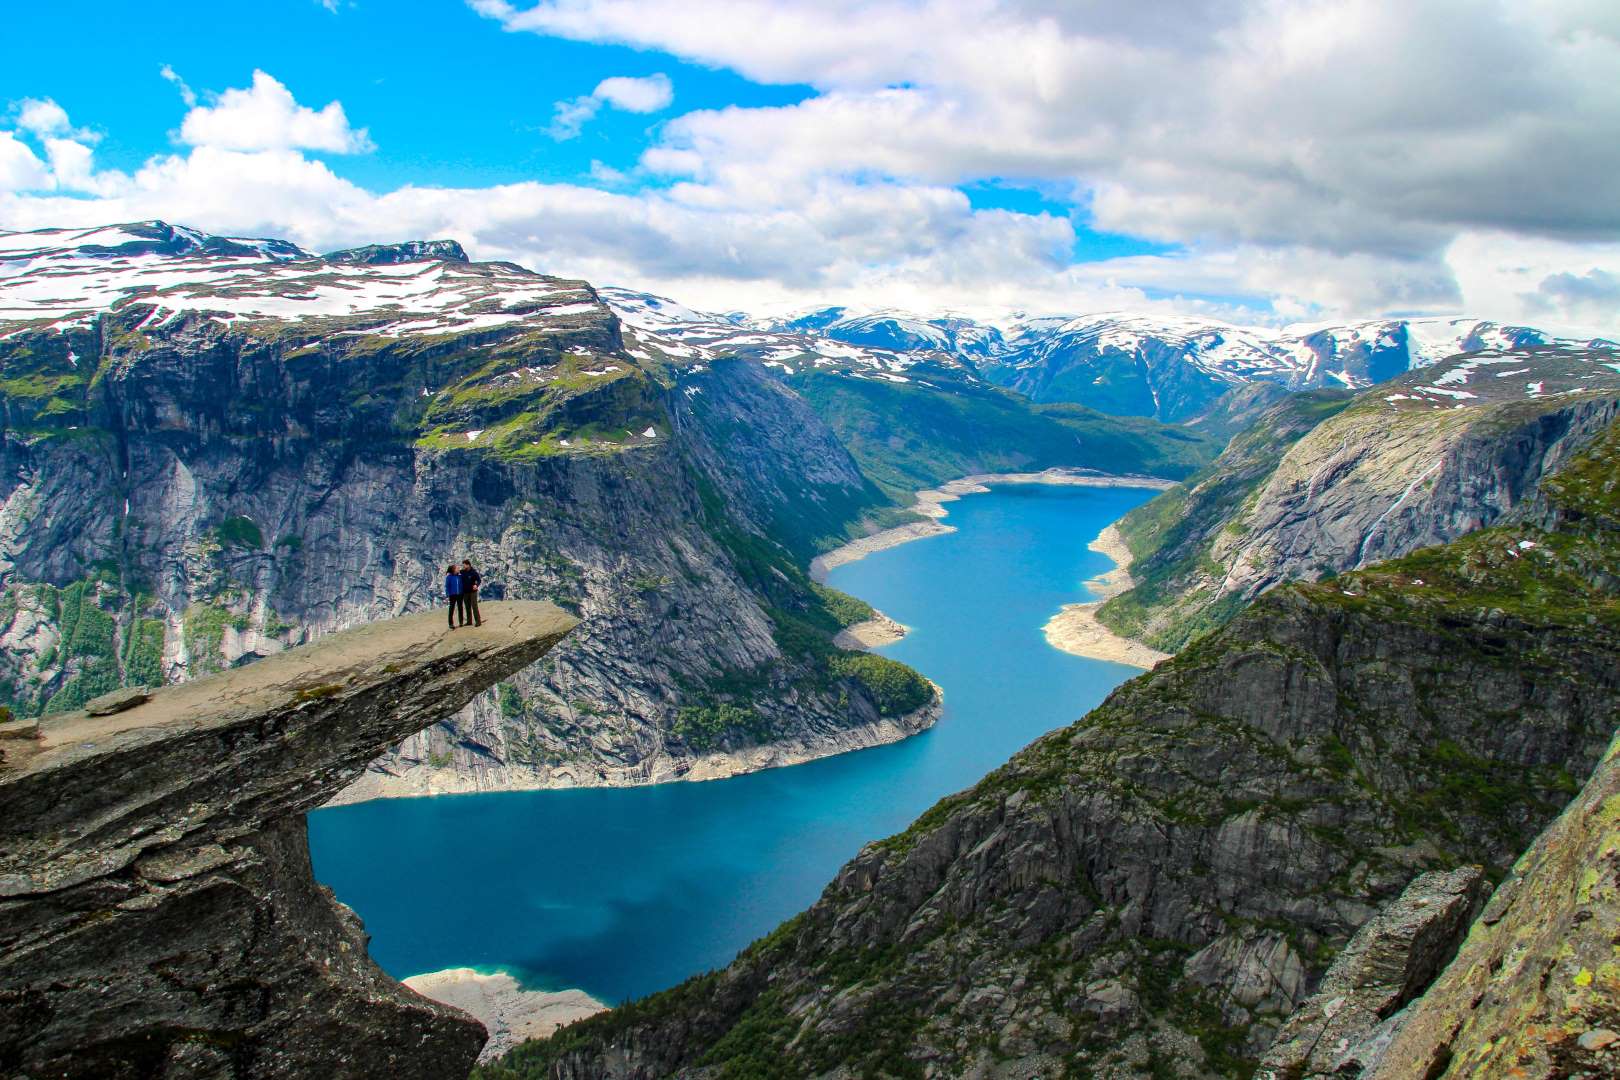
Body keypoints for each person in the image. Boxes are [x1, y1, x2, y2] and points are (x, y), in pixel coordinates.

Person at [458, 559, 482, 627]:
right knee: (467, 606)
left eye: (464, 565)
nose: (463, 566)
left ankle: (478, 621)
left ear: (468, 565)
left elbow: (479, 580)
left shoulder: (473, 572)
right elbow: (456, 574)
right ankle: (469, 621)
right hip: (465, 592)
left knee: (474, 606)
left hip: (473, 592)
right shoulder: (462, 572)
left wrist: (476, 585)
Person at [443, 563, 463, 630]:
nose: (458, 569)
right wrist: (448, 595)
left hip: (460, 594)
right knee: (451, 609)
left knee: (460, 608)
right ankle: (451, 623)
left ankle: (461, 622)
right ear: (454, 569)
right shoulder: (449, 577)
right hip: (452, 595)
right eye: (457, 568)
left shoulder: (459, 576)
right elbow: (447, 586)